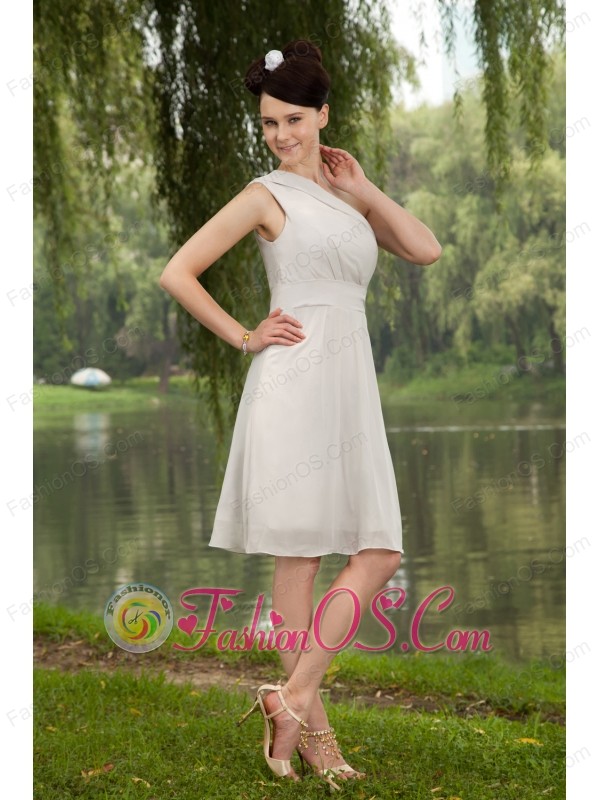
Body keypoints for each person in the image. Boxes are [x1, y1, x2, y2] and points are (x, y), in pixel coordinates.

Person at [159, 39, 441, 790]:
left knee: (381, 551)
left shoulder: (349, 196)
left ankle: (286, 698)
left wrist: (367, 188)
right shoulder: (264, 195)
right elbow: (178, 272)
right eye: (268, 122)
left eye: (293, 119)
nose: (281, 135)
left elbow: (425, 248)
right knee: (300, 559)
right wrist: (245, 336)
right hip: (291, 381)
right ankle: (316, 739)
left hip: (349, 384)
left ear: (323, 115)